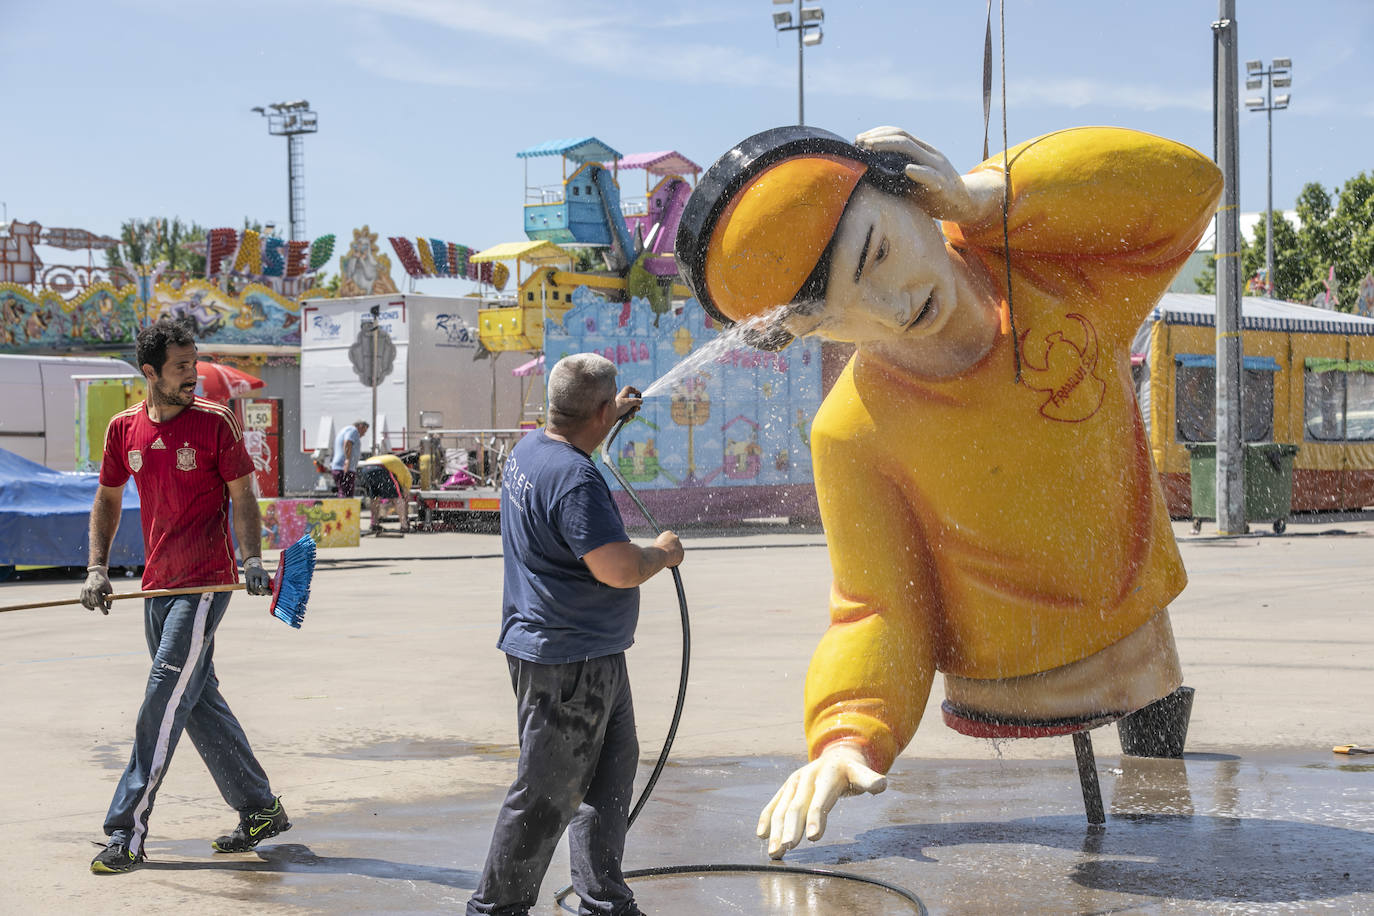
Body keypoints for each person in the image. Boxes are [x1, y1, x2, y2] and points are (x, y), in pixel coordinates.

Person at [677, 124, 1223, 857]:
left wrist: (991, 195)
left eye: (877, 254)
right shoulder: (856, 432)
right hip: (1017, 686)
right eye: (834, 316)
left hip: (1152, 666)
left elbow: (1187, 186)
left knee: (1171, 838)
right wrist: (847, 734)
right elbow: (877, 606)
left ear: (908, 187)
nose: (887, 308)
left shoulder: (1042, 263)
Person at [467, 353, 684, 916]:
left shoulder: (532, 451)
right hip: (567, 662)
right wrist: (660, 553)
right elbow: (616, 566)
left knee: (608, 782)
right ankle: (495, 910)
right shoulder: (574, 480)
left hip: (590, 653)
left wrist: (615, 414)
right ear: (599, 410)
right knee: (545, 795)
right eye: (611, 406)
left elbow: (584, 434)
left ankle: (604, 899)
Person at [80, 317, 291, 874]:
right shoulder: (124, 429)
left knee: (162, 700)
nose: (192, 375)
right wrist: (96, 568)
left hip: (204, 586)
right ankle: (260, 809)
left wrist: (251, 559)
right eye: (180, 367)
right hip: (156, 587)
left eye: (194, 363)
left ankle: (126, 831)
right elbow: (106, 498)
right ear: (149, 372)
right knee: (195, 702)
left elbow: (242, 494)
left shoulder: (215, 423)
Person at [358, 450, 415, 533]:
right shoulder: (408, 478)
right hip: (380, 468)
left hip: (366, 468)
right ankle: (404, 525)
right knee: (397, 498)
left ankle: (374, 524)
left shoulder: (397, 465)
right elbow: (405, 497)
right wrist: (405, 515)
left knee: (375, 497)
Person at [330, 419, 368, 497]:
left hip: (340, 467)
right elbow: (347, 442)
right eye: (364, 431)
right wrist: (347, 460)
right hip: (344, 468)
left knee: (344, 492)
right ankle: (344, 509)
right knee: (346, 494)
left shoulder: (345, 430)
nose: (364, 435)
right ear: (360, 426)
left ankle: (343, 508)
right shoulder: (353, 430)